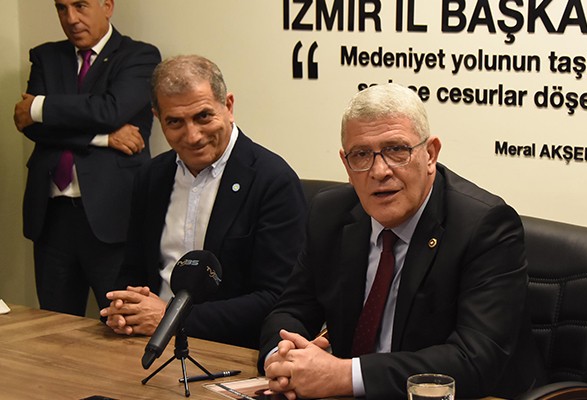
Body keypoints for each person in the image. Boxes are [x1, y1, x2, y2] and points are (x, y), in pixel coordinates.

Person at [259, 83, 546, 399]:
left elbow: (473, 359)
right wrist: (282, 357)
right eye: (361, 155)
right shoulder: (329, 214)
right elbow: (291, 310)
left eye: (396, 150)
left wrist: (343, 375)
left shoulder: (484, 226)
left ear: (430, 154)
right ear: (346, 164)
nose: (379, 171)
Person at [99, 55, 307, 349]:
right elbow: (133, 270)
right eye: (175, 122)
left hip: (227, 349)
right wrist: (125, 307)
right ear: (158, 118)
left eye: (203, 116)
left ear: (229, 107)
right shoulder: (151, 176)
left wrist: (171, 319)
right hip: (142, 343)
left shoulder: (273, 180)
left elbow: (277, 298)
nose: (192, 136)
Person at [13, 0, 161, 316]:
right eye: (62, 8)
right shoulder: (46, 57)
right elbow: (31, 127)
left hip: (112, 216)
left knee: (121, 321)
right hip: (52, 217)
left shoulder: (140, 56)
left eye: (80, 6)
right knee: (54, 325)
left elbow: (111, 110)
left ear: (107, 6)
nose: (71, 18)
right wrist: (103, 138)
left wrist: (40, 106)